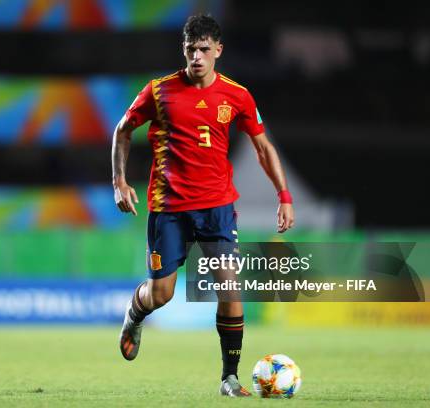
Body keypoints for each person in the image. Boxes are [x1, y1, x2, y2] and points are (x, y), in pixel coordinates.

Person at [111, 14, 295, 397]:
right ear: (184, 49)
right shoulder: (158, 91)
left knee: (230, 288)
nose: (197, 57)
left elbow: (263, 148)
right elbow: (123, 130)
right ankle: (134, 314)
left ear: (218, 51)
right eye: (191, 49)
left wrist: (284, 195)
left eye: (204, 50)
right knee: (160, 294)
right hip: (170, 210)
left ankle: (229, 377)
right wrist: (119, 181)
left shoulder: (237, 95)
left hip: (217, 209)